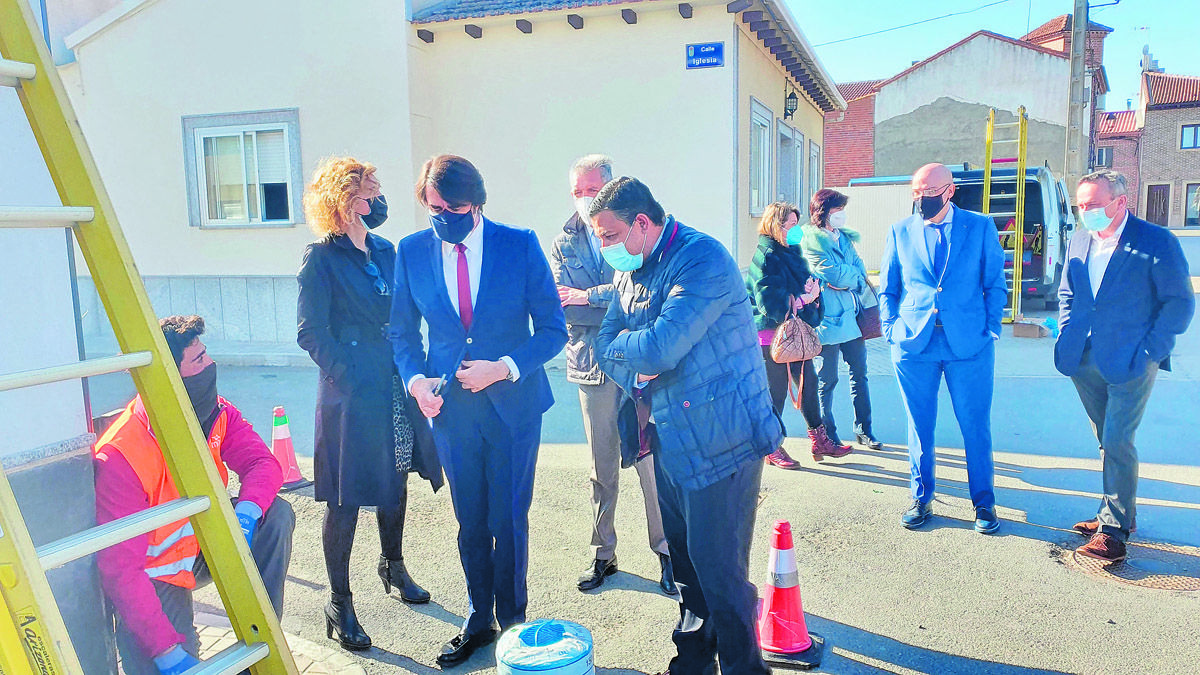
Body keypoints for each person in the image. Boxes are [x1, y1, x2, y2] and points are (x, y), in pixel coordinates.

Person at [591, 177, 781, 675]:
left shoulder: (703, 260)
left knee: (720, 574)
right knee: (685, 566)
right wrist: (642, 355)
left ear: (642, 223)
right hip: (669, 437)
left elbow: (658, 348)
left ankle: (744, 668)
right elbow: (608, 339)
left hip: (725, 439)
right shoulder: (634, 270)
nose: (604, 247)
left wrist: (643, 351)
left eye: (609, 235)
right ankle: (693, 661)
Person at [390, 154, 567, 666]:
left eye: (454, 207)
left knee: (509, 520)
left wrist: (506, 366)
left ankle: (513, 623)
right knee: (469, 520)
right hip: (450, 412)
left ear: (477, 203)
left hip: (513, 407)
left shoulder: (520, 244)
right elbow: (402, 331)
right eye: (434, 207)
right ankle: (478, 618)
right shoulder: (412, 251)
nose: (443, 216)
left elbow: (552, 329)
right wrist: (414, 380)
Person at [94, 316, 295, 675]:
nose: (211, 365)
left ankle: (262, 630)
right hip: (157, 573)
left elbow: (263, 464)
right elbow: (120, 568)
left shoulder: (217, 412)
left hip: (205, 546)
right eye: (199, 360)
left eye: (206, 355)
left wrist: (247, 513)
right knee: (162, 662)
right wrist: (165, 650)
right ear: (170, 377)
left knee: (275, 514)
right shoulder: (121, 454)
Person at [297, 158, 440, 652]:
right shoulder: (321, 258)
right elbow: (310, 333)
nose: (378, 201)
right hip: (352, 392)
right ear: (343, 201)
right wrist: (352, 375)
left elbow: (407, 311)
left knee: (395, 478)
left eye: (377, 191)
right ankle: (339, 601)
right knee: (346, 498)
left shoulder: (386, 250)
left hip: (395, 381)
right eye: (369, 193)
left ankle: (393, 565)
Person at [551, 155, 675, 595]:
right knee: (602, 467)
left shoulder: (633, 227)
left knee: (649, 463)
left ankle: (666, 552)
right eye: (577, 191)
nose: (584, 199)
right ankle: (603, 552)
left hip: (639, 364)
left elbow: (645, 292)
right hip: (591, 366)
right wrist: (605, 300)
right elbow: (565, 307)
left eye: (590, 189)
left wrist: (590, 296)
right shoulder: (563, 241)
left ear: (608, 187)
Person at [1056, 169, 1194, 563]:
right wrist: (1067, 330)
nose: (1087, 213)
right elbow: (1069, 291)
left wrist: (1153, 350)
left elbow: (1179, 302)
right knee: (1106, 438)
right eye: (1081, 206)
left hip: (1133, 359)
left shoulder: (1156, 241)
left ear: (1121, 202)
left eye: (1095, 205)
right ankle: (1120, 513)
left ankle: (1113, 532)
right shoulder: (1079, 238)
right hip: (1083, 357)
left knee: (1117, 439)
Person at [879, 162, 1007, 533]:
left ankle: (984, 504)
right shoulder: (900, 230)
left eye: (929, 193)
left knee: (975, 427)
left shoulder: (980, 226)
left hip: (969, 345)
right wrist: (891, 329)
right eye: (916, 193)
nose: (921, 199)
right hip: (914, 344)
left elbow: (995, 283)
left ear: (949, 190)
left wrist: (991, 329)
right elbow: (888, 286)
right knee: (919, 425)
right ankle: (921, 497)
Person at [746, 201, 850, 467]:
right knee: (776, 392)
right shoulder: (767, 255)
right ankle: (771, 446)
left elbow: (801, 287)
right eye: (790, 225)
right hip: (772, 337)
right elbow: (768, 303)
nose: (796, 230)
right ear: (775, 225)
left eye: (796, 224)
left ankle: (820, 439)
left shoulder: (791, 251)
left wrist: (813, 293)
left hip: (794, 333)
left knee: (808, 384)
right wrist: (804, 299)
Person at [797, 189, 882, 450]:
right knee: (827, 380)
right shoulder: (810, 240)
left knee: (860, 375)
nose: (841, 216)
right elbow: (832, 274)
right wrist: (851, 279)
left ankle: (864, 429)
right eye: (837, 211)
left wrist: (850, 278)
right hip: (827, 321)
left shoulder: (843, 238)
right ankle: (828, 434)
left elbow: (859, 267)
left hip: (853, 318)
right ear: (823, 213)